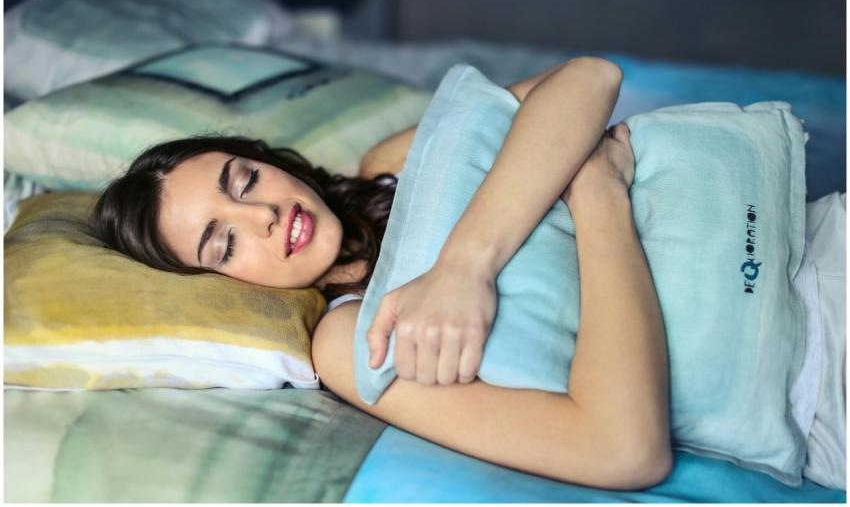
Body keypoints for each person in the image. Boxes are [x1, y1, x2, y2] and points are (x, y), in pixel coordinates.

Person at [90, 56, 844, 491]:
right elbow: (624, 448)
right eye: (222, 244)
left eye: (243, 179)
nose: (261, 216)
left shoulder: (390, 170)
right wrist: (597, 194)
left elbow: (585, 79)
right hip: (823, 374)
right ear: (217, 287)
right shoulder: (349, 336)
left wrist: (464, 265)